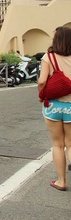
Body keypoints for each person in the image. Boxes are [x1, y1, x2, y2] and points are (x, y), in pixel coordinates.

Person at [37, 26, 71, 191]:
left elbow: (42, 81)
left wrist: (41, 94)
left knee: (58, 144)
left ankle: (61, 181)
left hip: (53, 106)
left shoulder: (48, 58)